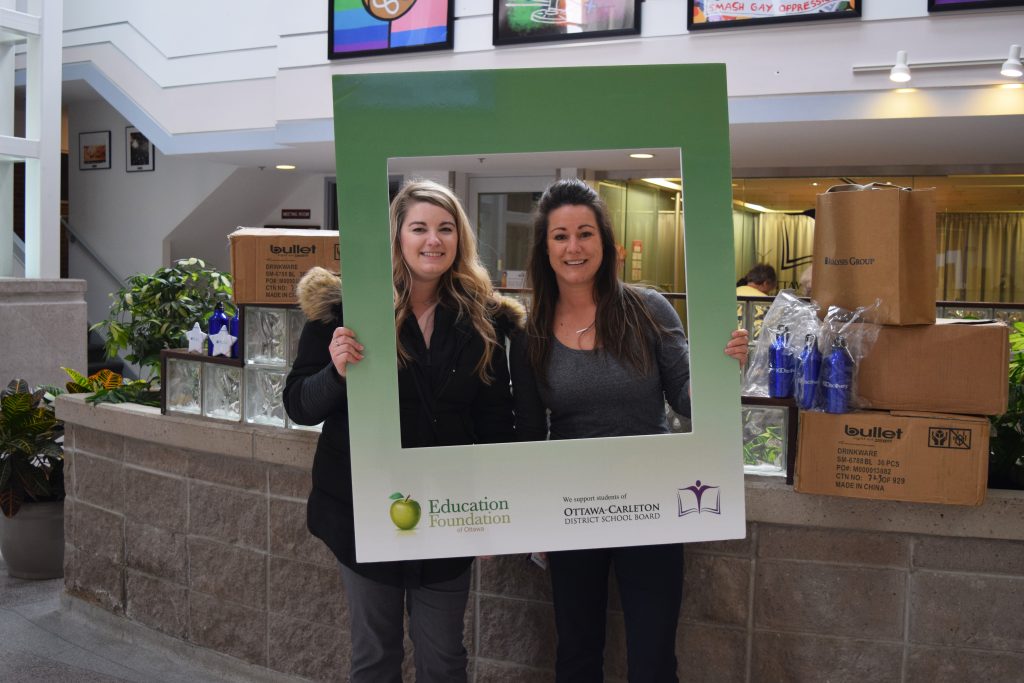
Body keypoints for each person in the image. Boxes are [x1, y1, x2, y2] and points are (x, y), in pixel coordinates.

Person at [283, 179, 523, 683]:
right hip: (362, 511)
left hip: (450, 515)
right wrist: (335, 373)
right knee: (375, 658)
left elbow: (496, 422)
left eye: (445, 228)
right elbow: (299, 406)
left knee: (444, 659)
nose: (432, 240)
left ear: (460, 240)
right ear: (397, 237)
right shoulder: (345, 311)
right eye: (419, 228)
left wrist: (494, 511)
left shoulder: (483, 320)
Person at [510, 178, 748, 683]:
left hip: (653, 499)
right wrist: (534, 516)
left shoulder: (648, 309)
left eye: (585, 233)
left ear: (606, 243)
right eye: (560, 236)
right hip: (574, 506)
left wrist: (723, 369)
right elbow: (530, 432)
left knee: (653, 655)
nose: (573, 247)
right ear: (545, 248)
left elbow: (687, 398)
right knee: (576, 651)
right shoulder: (530, 330)